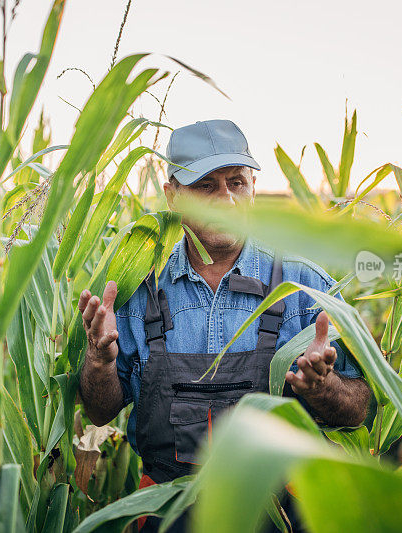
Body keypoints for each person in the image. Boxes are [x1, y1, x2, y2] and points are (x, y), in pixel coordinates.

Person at [78, 119, 371, 530]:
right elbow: (99, 410)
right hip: (170, 514)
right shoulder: (136, 292)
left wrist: (325, 388)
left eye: (237, 183)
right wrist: (99, 360)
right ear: (173, 196)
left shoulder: (306, 288)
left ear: (253, 187)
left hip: (280, 515)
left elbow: (359, 409)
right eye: (206, 186)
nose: (228, 201)